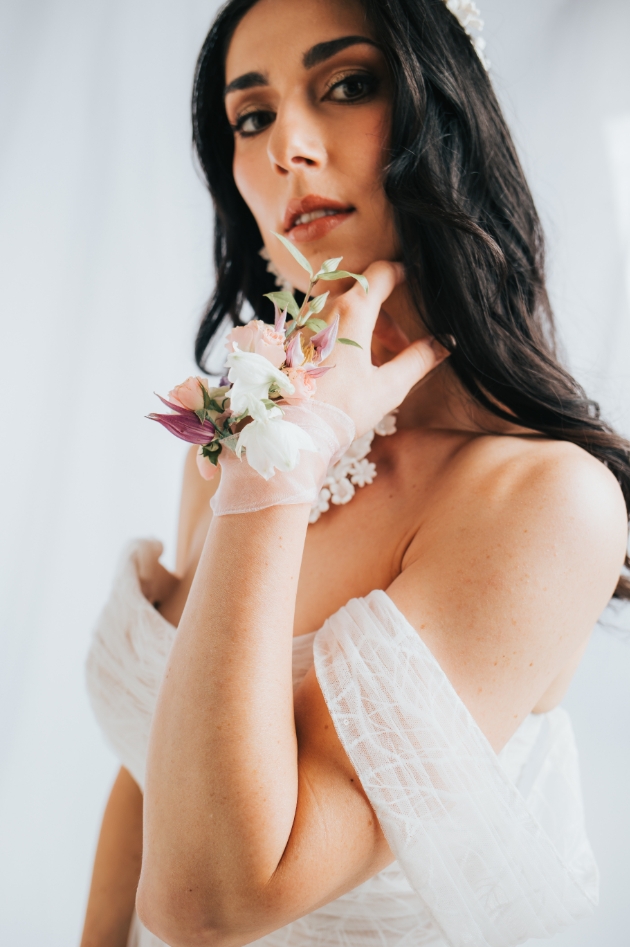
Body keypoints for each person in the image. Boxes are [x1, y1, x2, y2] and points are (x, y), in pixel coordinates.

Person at [81, 1, 630, 945]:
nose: (287, 143)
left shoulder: (546, 501)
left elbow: (210, 897)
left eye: (347, 86)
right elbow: (155, 770)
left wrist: (282, 462)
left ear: (447, 123)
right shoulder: (235, 452)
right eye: (250, 117)